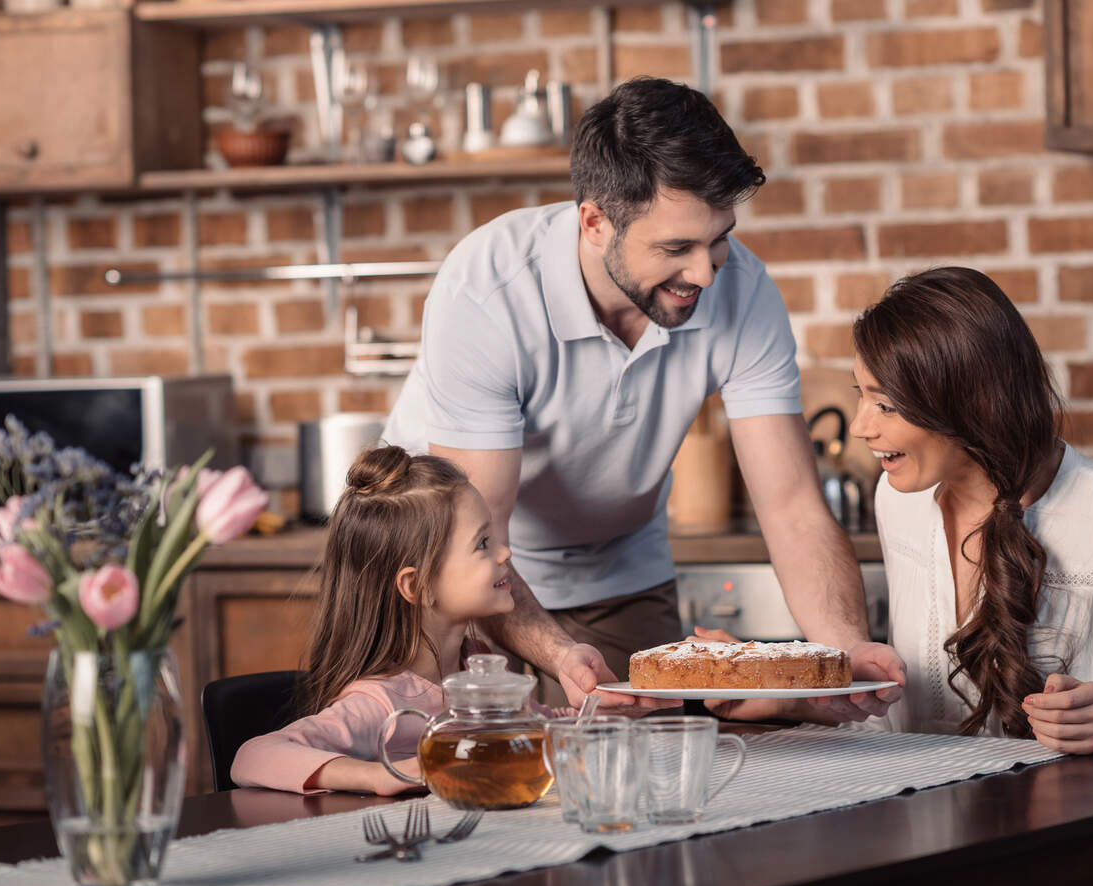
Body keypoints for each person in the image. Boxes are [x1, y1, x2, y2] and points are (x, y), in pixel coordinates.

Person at [383, 76, 903, 716]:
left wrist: (839, 655)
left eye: (718, 239)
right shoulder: (488, 290)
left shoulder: (742, 288)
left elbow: (793, 506)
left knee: (648, 770)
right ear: (595, 222)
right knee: (448, 770)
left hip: (616, 569)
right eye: (675, 248)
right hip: (445, 570)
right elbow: (478, 532)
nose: (705, 274)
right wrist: (556, 652)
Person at [709, 269, 1093, 752]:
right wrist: (783, 692)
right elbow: (903, 723)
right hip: (937, 822)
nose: (860, 427)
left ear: (966, 403)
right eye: (861, 397)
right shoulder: (898, 500)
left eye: (885, 405)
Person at [232, 447, 570, 795]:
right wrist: (379, 776)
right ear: (417, 585)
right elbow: (252, 756)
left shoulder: (477, 671)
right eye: (483, 543)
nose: (505, 553)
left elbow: (544, 724)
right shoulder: (381, 704)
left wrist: (606, 709)